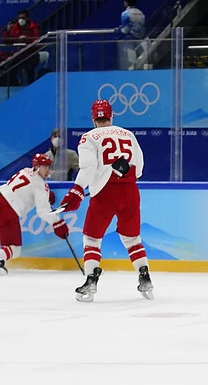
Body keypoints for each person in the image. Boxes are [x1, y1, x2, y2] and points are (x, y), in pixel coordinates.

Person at [60, 99, 152, 302]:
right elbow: (140, 167)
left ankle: (91, 280)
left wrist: (76, 190)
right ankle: (144, 275)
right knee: (132, 238)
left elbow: (88, 168)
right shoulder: (128, 134)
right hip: (129, 191)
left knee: (92, 238)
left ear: (93, 119)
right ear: (111, 116)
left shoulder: (88, 137)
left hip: (104, 193)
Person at [0, 154, 69, 274]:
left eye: (48, 167)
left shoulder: (25, 170)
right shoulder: (40, 185)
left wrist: (45, 195)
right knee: (15, 249)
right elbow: (43, 211)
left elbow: (29, 189)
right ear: (37, 167)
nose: (48, 170)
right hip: (7, 210)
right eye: (45, 167)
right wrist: (57, 222)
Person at [1, 9, 40, 84]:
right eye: (19, 18)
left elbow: (36, 40)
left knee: (29, 69)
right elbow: (6, 41)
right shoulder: (15, 27)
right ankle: (15, 86)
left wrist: (26, 39)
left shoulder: (33, 27)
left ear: (27, 18)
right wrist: (7, 31)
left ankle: (31, 87)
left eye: (23, 18)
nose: (21, 20)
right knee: (10, 69)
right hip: (18, 56)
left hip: (31, 56)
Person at [119, 0, 146, 69]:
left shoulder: (125, 14)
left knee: (131, 63)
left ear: (126, 2)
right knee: (140, 63)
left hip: (130, 41)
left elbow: (125, 30)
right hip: (140, 40)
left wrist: (119, 30)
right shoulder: (141, 13)